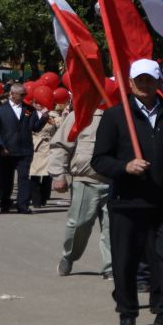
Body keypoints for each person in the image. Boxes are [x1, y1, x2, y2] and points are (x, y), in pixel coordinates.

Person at [92, 60, 163, 325]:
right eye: (139, 80)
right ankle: (127, 312)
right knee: (125, 260)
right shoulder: (116, 115)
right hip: (128, 202)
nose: (144, 85)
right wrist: (124, 167)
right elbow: (99, 160)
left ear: (158, 82)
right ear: (129, 83)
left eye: (149, 80)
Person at [57, 106, 111, 275]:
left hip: (115, 180)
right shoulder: (80, 115)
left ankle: (111, 267)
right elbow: (61, 145)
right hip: (86, 180)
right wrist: (58, 174)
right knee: (79, 224)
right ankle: (69, 256)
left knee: (113, 228)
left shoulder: (123, 113)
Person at [0, 82, 44, 214]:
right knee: (6, 179)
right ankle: (5, 203)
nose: (24, 97)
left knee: (24, 178)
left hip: (25, 150)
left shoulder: (28, 109)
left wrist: (44, 117)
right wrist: (1, 145)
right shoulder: (1, 110)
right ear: (12, 94)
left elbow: (35, 127)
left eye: (25, 94)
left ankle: (23, 205)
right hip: (7, 150)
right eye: (21, 94)